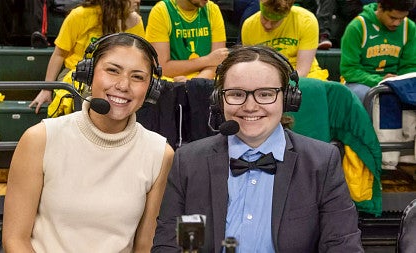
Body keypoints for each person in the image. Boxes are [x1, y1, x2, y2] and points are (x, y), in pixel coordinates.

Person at [152, 45, 363, 252]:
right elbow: (172, 245)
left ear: (288, 98)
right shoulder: (189, 162)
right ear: (219, 100)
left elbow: (342, 246)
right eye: (236, 94)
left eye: (265, 94)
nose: (250, 106)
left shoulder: (322, 162)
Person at [2, 33, 174, 252]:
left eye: (138, 77)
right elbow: (15, 240)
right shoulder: (40, 139)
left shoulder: (159, 153)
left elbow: (144, 247)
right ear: (88, 73)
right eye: (112, 70)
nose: (123, 85)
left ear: (151, 89)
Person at [30, 0, 145, 116]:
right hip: (78, 73)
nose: (138, 1)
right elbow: (59, 54)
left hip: (117, 75)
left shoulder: (136, 22)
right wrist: (46, 89)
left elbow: (139, 60)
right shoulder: (79, 15)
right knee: (88, 92)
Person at [340, 0, 416, 103]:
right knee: (373, 98)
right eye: (392, 18)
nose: (397, 23)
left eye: (402, 18)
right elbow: (349, 70)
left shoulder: (409, 28)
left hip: (396, 82)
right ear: (380, 7)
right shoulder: (357, 27)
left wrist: (398, 83)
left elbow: (409, 67)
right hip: (360, 82)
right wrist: (380, 80)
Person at [241, 0, 329, 80]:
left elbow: (302, 71)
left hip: (304, 78)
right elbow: (251, 68)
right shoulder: (249, 26)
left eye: (275, 21)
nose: (268, 25)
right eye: (265, 18)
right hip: (266, 80)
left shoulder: (306, 21)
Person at [145, 0, 230, 82]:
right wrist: (208, 60)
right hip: (173, 83)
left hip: (205, 82)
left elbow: (218, 61)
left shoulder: (213, 9)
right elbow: (161, 68)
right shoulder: (161, 11)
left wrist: (194, 83)